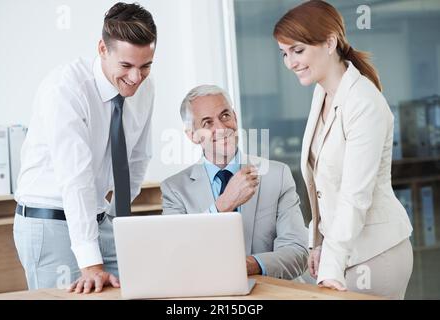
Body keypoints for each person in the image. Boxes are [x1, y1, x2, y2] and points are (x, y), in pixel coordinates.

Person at [273, 0, 413, 299]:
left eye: (298, 50)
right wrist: (318, 242)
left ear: (329, 42)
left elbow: (354, 195)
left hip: (376, 254)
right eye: (284, 53)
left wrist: (331, 267)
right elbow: (324, 187)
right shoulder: (321, 92)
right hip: (345, 252)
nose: (290, 62)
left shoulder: (363, 103)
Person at [13, 2, 157, 293]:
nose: (135, 78)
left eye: (146, 66)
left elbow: (139, 157)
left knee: (135, 292)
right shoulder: (65, 89)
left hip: (99, 220)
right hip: (50, 221)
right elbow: (76, 178)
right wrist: (91, 265)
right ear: (103, 50)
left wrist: (118, 220)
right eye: (126, 66)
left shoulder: (144, 87)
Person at [161, 85, 308, 280]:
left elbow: (297, 252)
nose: (221, 128)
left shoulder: (277, 175)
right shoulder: (175, 189)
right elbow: (176, 255)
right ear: (192, 136)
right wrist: (223, 205)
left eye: (225, 116)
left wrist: (247, 265)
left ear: (235, 118)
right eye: (207, 123)